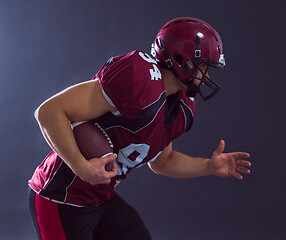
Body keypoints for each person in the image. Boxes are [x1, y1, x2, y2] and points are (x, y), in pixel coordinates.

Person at [28, 17, 251, 240]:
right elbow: (49, 111)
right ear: (182, 60)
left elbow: (163, 162)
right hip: (60, 196)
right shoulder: (139, 79)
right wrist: (80, 166)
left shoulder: (181, 106)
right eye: (203, 66)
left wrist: (208, 166)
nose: (207, 76)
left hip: (101, 198)